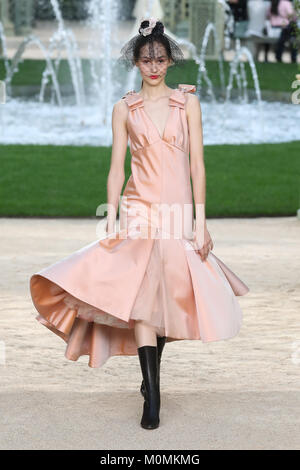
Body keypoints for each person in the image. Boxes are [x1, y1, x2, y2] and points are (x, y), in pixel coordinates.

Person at [29, 18, 250, 430]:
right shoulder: (123, 108)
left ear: (170, 61)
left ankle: (150, 383)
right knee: (147, 296)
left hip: (178, 213)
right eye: (146, 59)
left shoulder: (188, 104)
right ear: (135, 62)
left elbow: (198, 165)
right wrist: (111, 215)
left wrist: (201, 222)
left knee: (168, 293)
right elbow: (117, 168)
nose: (154, 66)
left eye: (160, 59)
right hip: (139, 209)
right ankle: (154, 395)